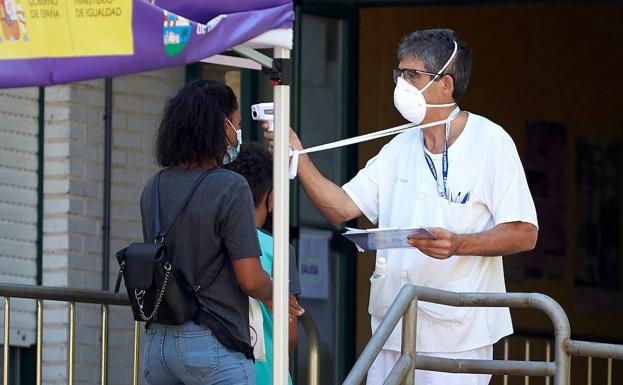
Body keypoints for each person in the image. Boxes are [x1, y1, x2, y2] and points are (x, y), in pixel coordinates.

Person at [264, 29, 538, 385]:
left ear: (446, 85)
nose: (401, 85)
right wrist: (297, 156)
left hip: (457, 340)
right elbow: (340, 208)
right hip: (391, 328)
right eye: (399, 74)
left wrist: (458, 244)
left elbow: (524, 232)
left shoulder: (491, 142)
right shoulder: (399, 147)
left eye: (412, 76)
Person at [140, 80, 288, 385]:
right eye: (235, 125)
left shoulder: (153, 187)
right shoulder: (230, 187)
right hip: (213, 344)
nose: (237, 135)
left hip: (159, 344)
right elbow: (248, 276)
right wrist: (274, 293)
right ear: (221, 127)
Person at [227, 143, 305, 385]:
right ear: (271, 198)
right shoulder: (279, 250)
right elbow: (290, 336)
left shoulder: (217, 240)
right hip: (268, 374)